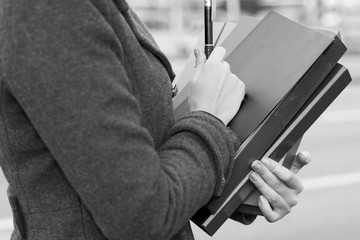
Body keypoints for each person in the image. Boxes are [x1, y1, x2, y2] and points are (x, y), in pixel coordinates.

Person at [0, 0, 310, 239]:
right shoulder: (52, 12)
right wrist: (208, 119)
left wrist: (244, 182)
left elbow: (140, 162)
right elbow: (141, 214)